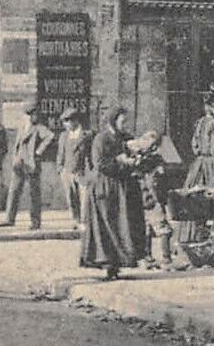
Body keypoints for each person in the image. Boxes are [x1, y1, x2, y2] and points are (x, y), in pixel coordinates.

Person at [79, 108, 147, 281]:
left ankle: (120, 263)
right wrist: (119, 161)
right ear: (112, 122)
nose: (125, 125)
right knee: (107, 226)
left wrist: (137, 160)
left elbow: (136, 154)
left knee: (122, 226)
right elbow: (100, 164)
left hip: (123, 188)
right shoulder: (101, 139)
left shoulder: (126, 138)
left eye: (126, 122)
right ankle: (109, 264)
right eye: (122, 121)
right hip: (105, 187)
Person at [175, 85, 214, 243]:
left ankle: (191, 236)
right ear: (212, 107)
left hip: (198, 163)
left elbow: (195, 146)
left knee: (195, 198)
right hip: (212, 164)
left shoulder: (199, 122)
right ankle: (211, 239)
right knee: (213, 198)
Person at [2, 102, 55, 229]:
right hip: (19, 163)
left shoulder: (39, 128)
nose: (31, 117)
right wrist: (15, 156)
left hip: (32, 164)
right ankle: (9, 219)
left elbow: (51, 136)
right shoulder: (22, 127)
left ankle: (35, 222)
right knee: (14, 191)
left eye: (33, 114)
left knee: (34, 194)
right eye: (28, 115)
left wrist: (39, 151)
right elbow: (18, 144)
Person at [57, 108, 92, 227]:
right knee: (71, 198)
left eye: (68, 121)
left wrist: (90, 172)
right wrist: (60, 168)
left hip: (81, 172)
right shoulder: (63, 136)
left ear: (76, 121)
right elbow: (60, 153)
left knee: (84, 198)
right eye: (65, 122)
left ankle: (84, 221)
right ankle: (75, 220)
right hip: (67, 172)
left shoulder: (86, 136)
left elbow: (89, 155)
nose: (66, 124)